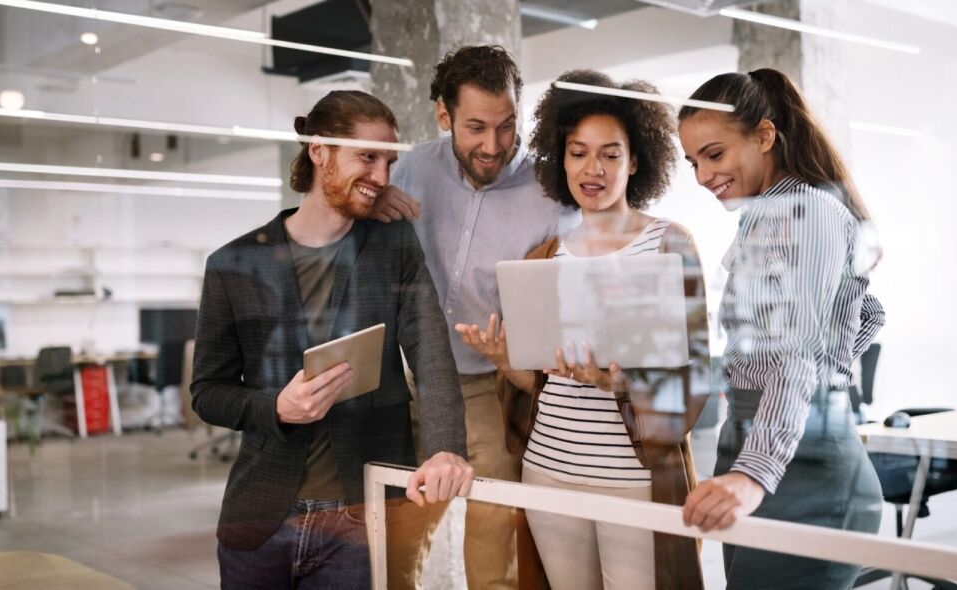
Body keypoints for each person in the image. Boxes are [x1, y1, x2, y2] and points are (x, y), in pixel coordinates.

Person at [191, 90, 475, 590]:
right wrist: (276, 407)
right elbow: (208, 392)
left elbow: (431, 354)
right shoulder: (232, 265)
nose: (382, 177)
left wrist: (446, 449)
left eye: (389, 161)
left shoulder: (393, 246)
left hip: (363, 519)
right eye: (367, 157)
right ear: (319, 150)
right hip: (261, 517)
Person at [456, 70, 708, 590]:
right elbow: (542, 386)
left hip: (632, 480)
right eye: (578, 152)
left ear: (635, 160)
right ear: (561, 157)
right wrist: (505, 358)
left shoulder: (667, 246)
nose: (592, 168)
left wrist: (612, 381)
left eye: (610, 154)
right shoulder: (546, 256)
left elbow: (693, 380)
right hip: (548, 469)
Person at [372, 45, 578, 589]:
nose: (494, 146)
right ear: (444, 116)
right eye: (476, 128)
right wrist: (375, 201)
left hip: (493, 387)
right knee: (399, 538)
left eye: (507, 126)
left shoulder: (552, 194)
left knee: (493, 541)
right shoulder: (412, 167)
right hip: (417, 380)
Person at [677, 69, 885, 589]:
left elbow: (795, 354)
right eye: (693, 161)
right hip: (770, 447)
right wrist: (832, 367)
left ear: (765, 136)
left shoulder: (805, 212)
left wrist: (753, 473)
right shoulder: (766, 215)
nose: (702, 176)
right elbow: (869, 313)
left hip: (802, 473)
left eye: (714, 154)